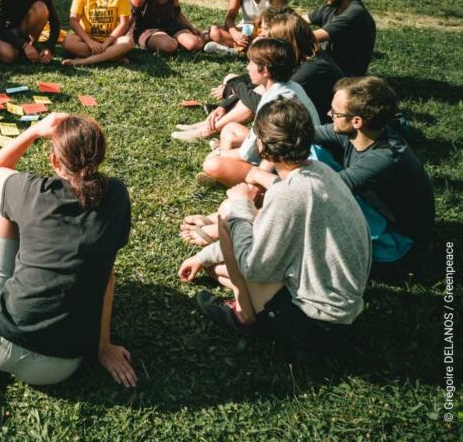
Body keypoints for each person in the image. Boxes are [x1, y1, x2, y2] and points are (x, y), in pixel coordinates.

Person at [178, 98, 371, 360]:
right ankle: (236, 288)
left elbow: (253, 267)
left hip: (314, 328)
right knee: (218, 269)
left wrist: (242, 206)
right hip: (344, 313)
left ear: (261, 145)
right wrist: (204, 257)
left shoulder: (286, 197)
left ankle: (243, 316)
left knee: (228, 212)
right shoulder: (321, 172)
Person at [0, 113, 136, 387]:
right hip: (58, 367)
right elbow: (107, 275)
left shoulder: (29, 189)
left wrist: (34, 131)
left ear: (55, 161)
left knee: (0, 200)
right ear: (100, 157)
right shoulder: (116, 195)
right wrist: (103, 347)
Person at [173, 6, 339, 143]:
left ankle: (207, 130)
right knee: (239, 83)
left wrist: (235, 87)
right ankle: (207, 126)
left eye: (271, 39)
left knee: (249, 98)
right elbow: (260, 86)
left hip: (316, 135)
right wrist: (223, 106)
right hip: (296, 124)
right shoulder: (302, 57)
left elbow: (261, 100)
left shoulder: (312, 69)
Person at [315, 76, 434, 265]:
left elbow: (323, 191)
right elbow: (305, 135)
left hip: (397, 242)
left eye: (335, 113)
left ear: (356, 121)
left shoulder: (385, 158)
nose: (329, 113)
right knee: (311, 151)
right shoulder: (363, 133)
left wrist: (258, 176)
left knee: (319, 201)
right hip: (373, 210)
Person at [199, 38, 320, 188]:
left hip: (289, 164)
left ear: (265, 70)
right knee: (230, 129)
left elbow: (248, 153)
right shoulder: (291, 86)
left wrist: (219, 153)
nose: (248, 67)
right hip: (287, 150)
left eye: (250, 63)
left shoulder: (273, 103)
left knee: (212, 163)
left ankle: (244, 182)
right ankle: (227, 171)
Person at [303, 0, 376, 76]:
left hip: (344, 78)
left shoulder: (355, 14)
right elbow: (297, 21)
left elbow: (313, 37)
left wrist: (280, 33)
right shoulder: (330, 8)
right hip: (325, 66)